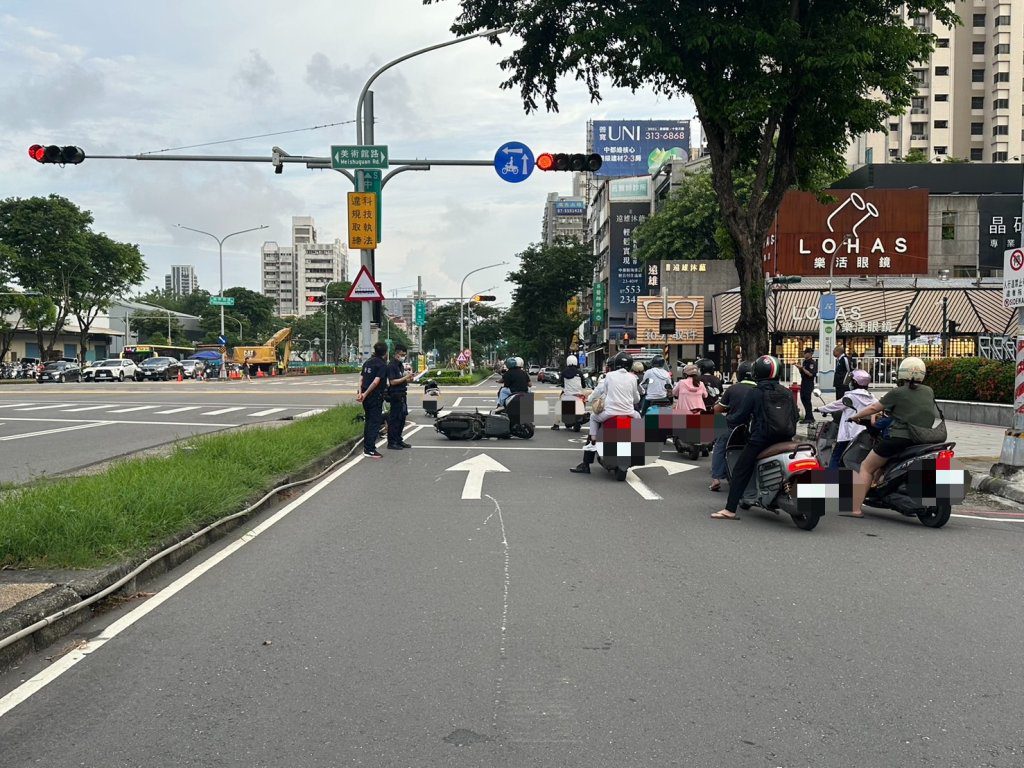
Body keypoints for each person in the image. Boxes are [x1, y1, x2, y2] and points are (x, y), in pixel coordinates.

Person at [846, 357, 939, 518]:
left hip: (899, 439)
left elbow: (874, 407)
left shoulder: (898, 392)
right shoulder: (928, 390)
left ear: (901, 373)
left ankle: (855, 509)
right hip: (923, 439)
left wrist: (855, 417)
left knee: (866, 467)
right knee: (883, 462)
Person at [712, 355, 797, 520]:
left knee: (740, 470)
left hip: (761, 439)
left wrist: (728, 419)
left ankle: (729, 510)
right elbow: (796, 416)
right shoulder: (787, 392)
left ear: (757, 372)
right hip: (786, 439)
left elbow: (740, 416)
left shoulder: (755, 393)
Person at [570, 352, 641, 474]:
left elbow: (604, 393)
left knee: (593, 418)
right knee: (639, 419)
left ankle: (590, 449)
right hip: (629, 412)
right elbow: (636, 398)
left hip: (610, 412)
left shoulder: (608, 376)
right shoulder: (633, 378)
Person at [708, 360, 756, 492]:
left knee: (720, 445)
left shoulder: (733, 389)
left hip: (733, 427)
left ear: (739, 375)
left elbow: (718, 409)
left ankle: (716, 479)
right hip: (754, 430)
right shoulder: (759, 389)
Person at [816, 369, 877, 469]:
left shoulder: (851, 396)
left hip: (848, 434)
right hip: (864, 434)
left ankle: (831, 481)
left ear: (855, 382)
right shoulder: (872, 398)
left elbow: (834, 406)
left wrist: (819, 409)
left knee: (836, 456)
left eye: (851, 381)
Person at [355, 342, 389, 459]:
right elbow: (376, 382)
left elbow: (361, 378)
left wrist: (361, 393)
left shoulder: (367, 362)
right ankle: (369, 449)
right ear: (385, 352)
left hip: (366, 397)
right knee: (374, 422)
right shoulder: (382, 365)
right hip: (374, 396)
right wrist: (365, 394)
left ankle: (367, 447)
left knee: (368, 421)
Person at [385, 343, 414, 450]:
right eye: (402, 354)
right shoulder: (391, 365)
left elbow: (401, 379)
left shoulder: (400, 366)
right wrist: (405, 377)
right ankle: (392, 442)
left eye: (404, 355)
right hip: (395, 395)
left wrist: (409, 378)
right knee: (395, 419)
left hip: (402, 394)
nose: (403, 356)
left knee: (402, 418)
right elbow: (392, 382)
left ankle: (398, 440)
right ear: (396, 354)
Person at [553, 354, 586, 430]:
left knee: (558, 407)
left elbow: (562, 384)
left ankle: (556, 424)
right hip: (578, 395)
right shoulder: (579, 373)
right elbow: (583, 385)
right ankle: (583, 413)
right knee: (584, 399)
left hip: (567, 395)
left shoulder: (564, 373)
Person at [797, 348, 818, 424]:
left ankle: (809, 418)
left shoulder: (812, 363)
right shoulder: (805, 362)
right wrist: (799, 368)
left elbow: (811, 374)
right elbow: (802, 373)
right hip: (804, 382)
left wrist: (802, 368)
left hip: (809, 383)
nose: (804, 354)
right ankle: (809, 416)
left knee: (807, 400)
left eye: (806, 353)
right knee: (803, 398)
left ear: (810, 354)